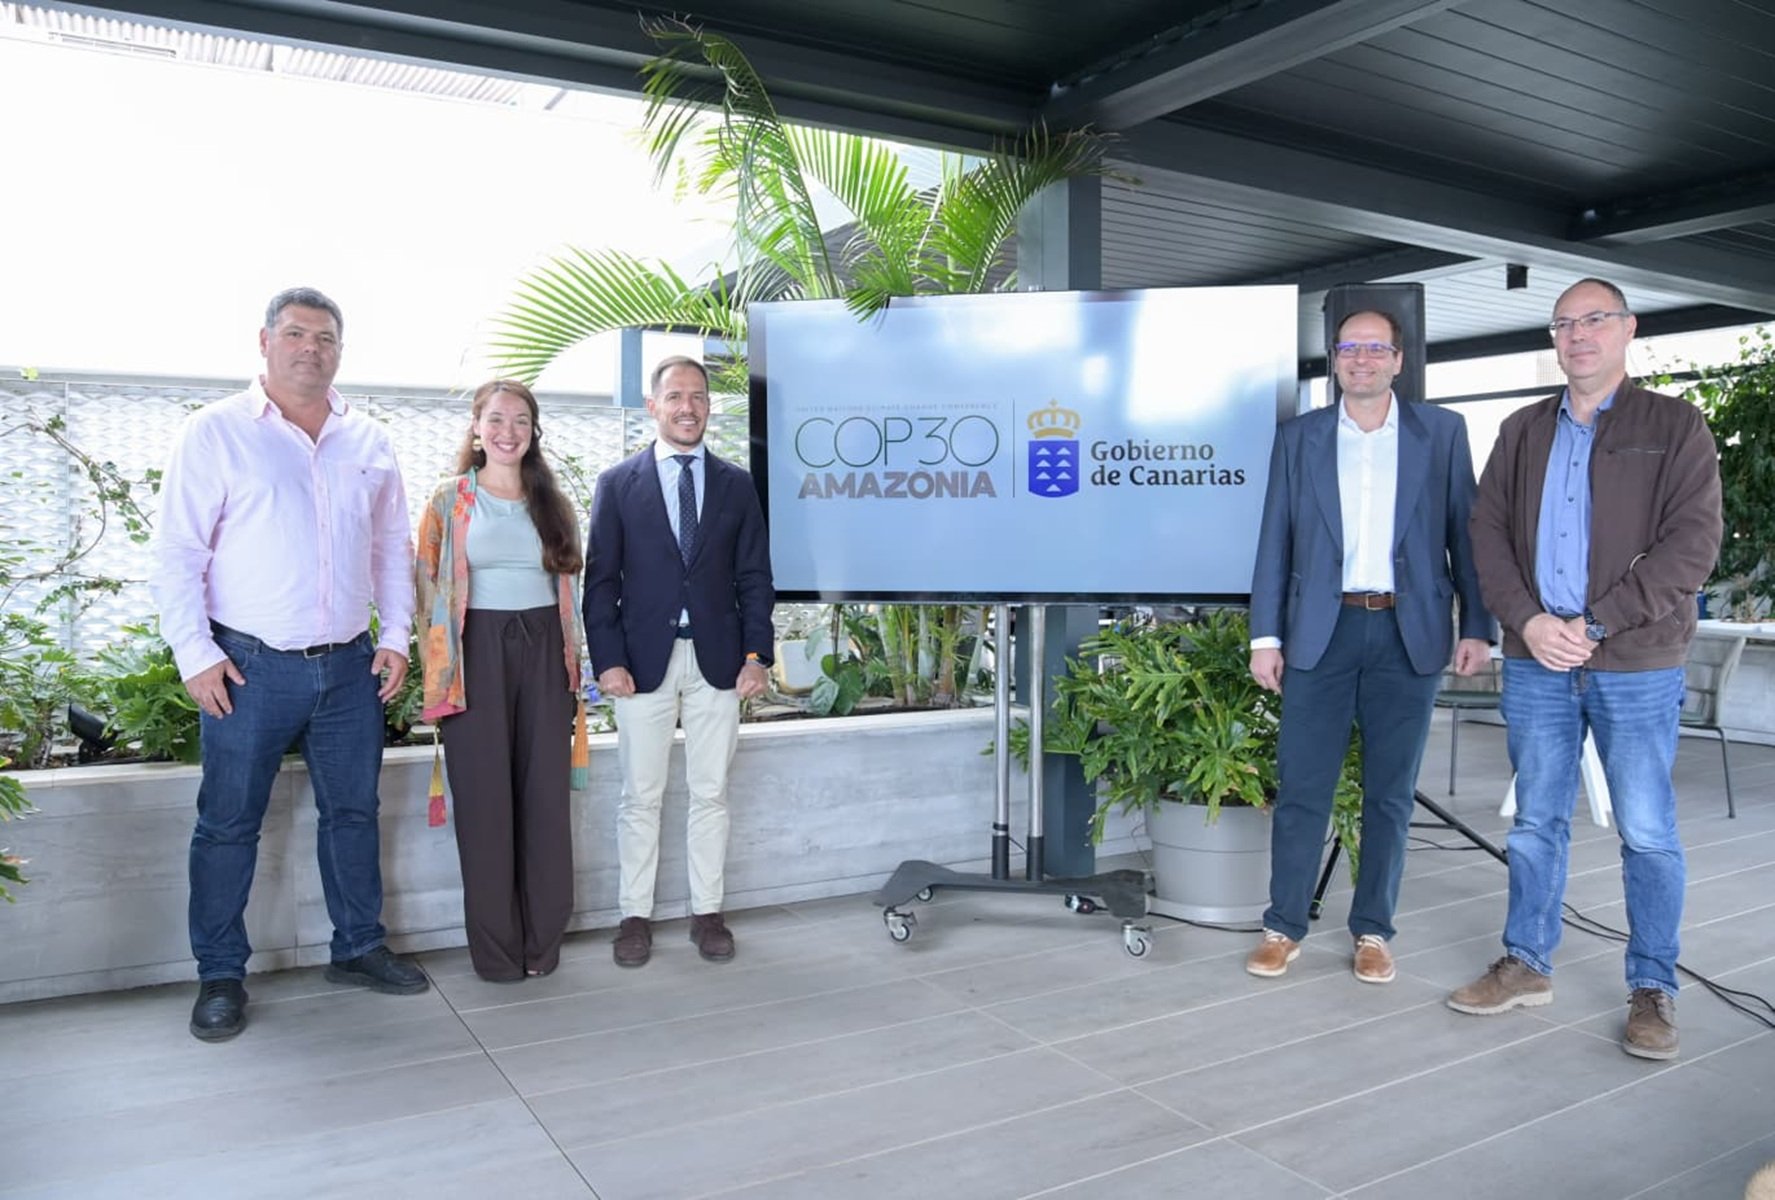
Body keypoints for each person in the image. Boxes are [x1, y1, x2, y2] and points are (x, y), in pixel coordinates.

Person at [1448, 278, 1722, 1060]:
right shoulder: (1521, 429)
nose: (1577, 335)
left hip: (1633, 659)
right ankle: (1525, 962)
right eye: (1564, 323)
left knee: (1645, 830)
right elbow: (1486, 536)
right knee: (1536, 821)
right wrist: (1529, 622)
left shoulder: (1674, 426)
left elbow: (1691, 545)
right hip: (1536, 659)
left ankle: (1651, 987)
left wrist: (1595, 622)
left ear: (1626, 330)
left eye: (1594, 320)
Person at [152, 287, 427, 1043]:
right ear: (265, 341)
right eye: (298, 334)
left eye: (327, 337)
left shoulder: (367, 438)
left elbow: (389, 552)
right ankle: (219, 972)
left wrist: (396, 635)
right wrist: (195, 655)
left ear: (341, 349)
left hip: (347, 668)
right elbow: (178, 553)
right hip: (246, 666)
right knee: (229, 824)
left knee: (353, 812)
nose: (313, 348)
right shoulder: (215, 434)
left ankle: (358, 946)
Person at [1246, 308, 1493, 984]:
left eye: (1374, 348)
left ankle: (1373, 931)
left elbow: (1463, 537)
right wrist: (1264, 636)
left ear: (1397, 360)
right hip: (1317, 636)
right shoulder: (1298, 438)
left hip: (1404, 633)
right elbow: (1275, 540)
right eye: (1348, 347)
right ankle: (1283, 926)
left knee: (1389, 794)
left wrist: (1476, 625)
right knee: (1303, 789)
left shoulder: (1440, 433)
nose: (1361, 358)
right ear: (1334, 358)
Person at [582, 356, 774, 967]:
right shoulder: (618, 484)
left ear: (708, 406)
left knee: (711, 793)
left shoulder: (736, 485)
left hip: (720, 661)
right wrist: (607, 660)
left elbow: (754, 578)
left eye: (697, 396)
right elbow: (599, 583)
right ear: (653, 406)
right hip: (641, 665)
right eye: (675, 396)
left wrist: (757, 655)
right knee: (640, 795)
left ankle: (706, 913)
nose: (687, 406)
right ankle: (633, 917)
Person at [415, 379, 590, 982]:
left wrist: (575, 666)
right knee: (485, 807)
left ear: (533, 431)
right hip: (474, 656)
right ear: (476, 427)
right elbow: (425, 591)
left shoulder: (552, 501)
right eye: (496, 419)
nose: (507, 430)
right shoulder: (449, 500)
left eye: (520, 420)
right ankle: (496, 954)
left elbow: (572, 590)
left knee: (544, 802)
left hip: (545, 654)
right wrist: (437, 675)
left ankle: (544, 945)